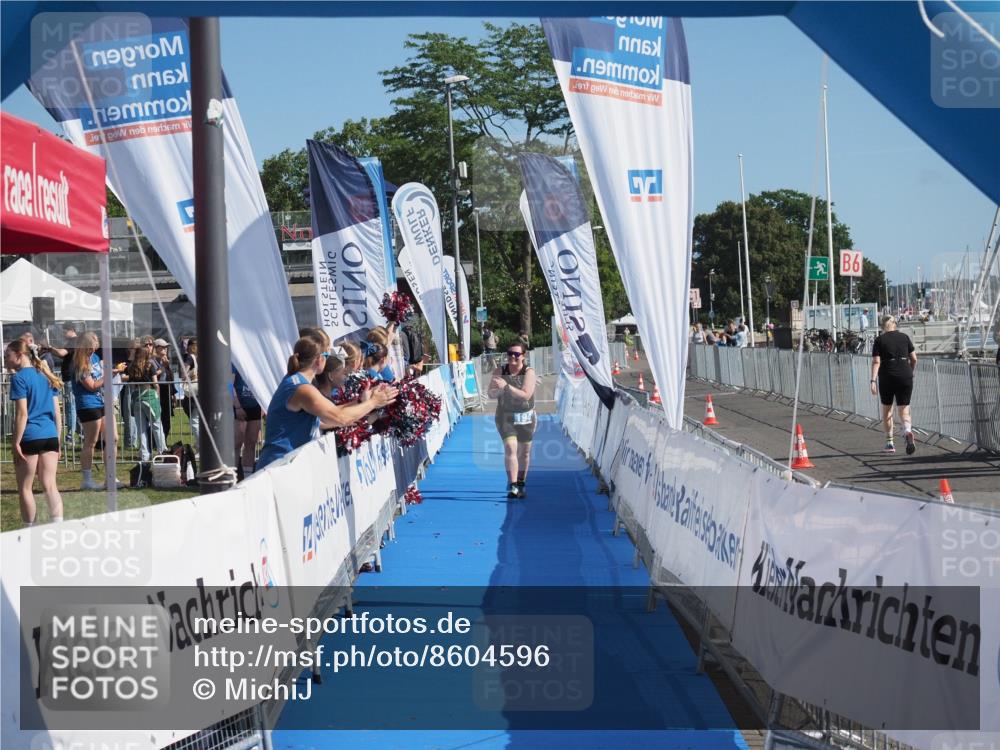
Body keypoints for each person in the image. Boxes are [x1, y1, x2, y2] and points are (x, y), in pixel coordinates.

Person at [256, 337, 398, 469]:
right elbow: (340, 418)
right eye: (326, 356)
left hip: (285, 463)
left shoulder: (299, 382)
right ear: (319, 360)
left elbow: (331, 412)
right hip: (279, 464)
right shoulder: (303, 389)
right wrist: (373, 402)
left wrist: (361, 401)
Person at [6, 340, 64, 525]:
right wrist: (59, 440)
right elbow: (57, 413)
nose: (5, 360)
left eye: (7, 355)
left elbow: (22, 414)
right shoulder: (47, 375)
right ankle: (58, 526)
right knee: (50, 485)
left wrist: (15, 443)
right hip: (50, 436)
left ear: (19, 355)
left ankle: (29, 529)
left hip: (30, 436)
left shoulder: (19, 378)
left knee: (25, 488)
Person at [487, 342, 537, 499]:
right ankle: (513, 485)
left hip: (526, 417)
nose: (512, 357)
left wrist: (506, 387)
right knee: (510, 448)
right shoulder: (500, 371)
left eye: (516, 354)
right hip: (505, 416)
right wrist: (498, 391)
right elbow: (490, 393)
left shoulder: (529, 372)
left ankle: (521, 482)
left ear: (523, 356)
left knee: (525, 453)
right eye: (509, 353)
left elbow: (526, 395)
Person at [69, 331, 117, 489]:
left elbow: (100, 375)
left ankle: (111, 477)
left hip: (101, 402)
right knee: (91, 442)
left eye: (95, 348)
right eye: (91, 348)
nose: (94, 351)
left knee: (112, 438)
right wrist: (109, 375)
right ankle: (87, 480)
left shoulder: (95, 358)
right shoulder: (79, 363)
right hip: (88, 404)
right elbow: (92, 385)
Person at [870, 315, 918, 455]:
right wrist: (910, 371)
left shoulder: (879, 340)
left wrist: (873, 381)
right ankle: (907, 431)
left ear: (883, 326)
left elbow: (876, 362)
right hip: (905, 374)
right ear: (895, 324)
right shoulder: (905, 337)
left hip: (887, 375)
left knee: (887, 411)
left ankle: (890, 443)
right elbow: (914, 358)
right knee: (904, 410)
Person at [124, 341, 165, 462]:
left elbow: (129, 382)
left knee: (141, 428)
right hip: (150, 395)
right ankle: (162, 451)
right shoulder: (149, 366)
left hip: (137, 398)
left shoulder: (132, 367)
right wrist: (157, 395)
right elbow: (155, 383)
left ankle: (144, 454)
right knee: (157, 426)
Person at [232, 366, 263, 478]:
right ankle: (232, 477)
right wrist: (237, 406)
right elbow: (229, 384)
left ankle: (247, 477)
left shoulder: (258, 361)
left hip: (255, 406)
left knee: (251, 443)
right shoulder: (235, 361)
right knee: (236, 443)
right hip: (239, 405)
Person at [152, 339, 175, 441]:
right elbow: (151, 375)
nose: (165, 349)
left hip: (167, 390)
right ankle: (156, 442)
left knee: (167, 419)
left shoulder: (165, 360)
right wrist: (163, 367)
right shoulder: (151, 361)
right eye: (162, 347)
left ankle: (163, 441)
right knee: (157, 418)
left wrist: (173, 393)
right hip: (157, 390)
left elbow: (170, 377)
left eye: (166, 347)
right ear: (156, 348)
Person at [180, 337, 199, 448]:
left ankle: (201, 445)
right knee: (196, 420)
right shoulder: (194, 358)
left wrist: (193, 371)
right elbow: (184, 375)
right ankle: (200, 445)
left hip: (194, 393)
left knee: (195, 421)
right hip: (196, 392)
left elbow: (184, 375)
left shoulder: (191, 358)